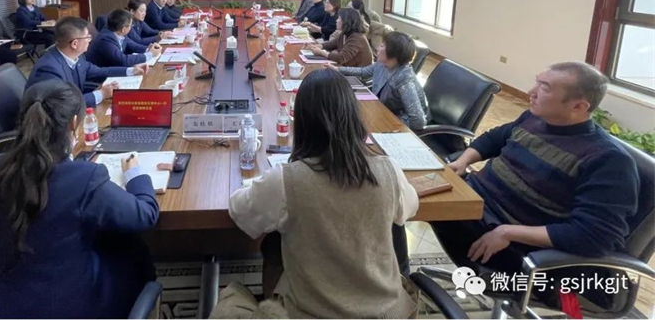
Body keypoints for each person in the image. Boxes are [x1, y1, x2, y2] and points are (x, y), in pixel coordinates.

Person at [228, 68, 418, 318]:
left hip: (312, 314)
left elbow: (239, 210)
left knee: (232, 297)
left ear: (302, 121)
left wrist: (257, 184)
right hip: (386, 312)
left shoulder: (286, 180)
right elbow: (409, 208)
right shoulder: (387, 169)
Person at [0, 81, 160, 318]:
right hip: (66, 309)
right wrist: (135, 173)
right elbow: (145, 215)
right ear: (74, 123)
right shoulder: (81, 178)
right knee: (129, 248)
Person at [432, 62, 639, 276]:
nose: (531, 92)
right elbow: (495, 138)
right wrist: (463, 161)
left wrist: (507, 232)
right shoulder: (534, 118)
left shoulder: (608, 160)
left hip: (505, 239)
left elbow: (596, 236)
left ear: (579, 107)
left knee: (409, 205)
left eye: (545, 88)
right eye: (537, 83)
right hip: (471, 201)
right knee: (412, 190)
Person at [25, 17, 148, 108]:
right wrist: (101, 94)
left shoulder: (78, 57)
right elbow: (64, 104)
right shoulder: (48, 69)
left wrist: (132, 70)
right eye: (87, 37)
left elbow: (98, 71)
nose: (90, 40)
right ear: (75, 44)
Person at [333, 31, 428, 130]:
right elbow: (364, 71)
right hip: (382, 110)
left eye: (382, 46)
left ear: (393, 53)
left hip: (397, 121)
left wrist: (389, 122)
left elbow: (418, 121)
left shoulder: (404, 77)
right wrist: (338, 69)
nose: (378, 48)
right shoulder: (382, 64)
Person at [86, 9, 162, 68]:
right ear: (123, 29)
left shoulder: (118, 32)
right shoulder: (106, 39)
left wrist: (148, 49)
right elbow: (123, 60)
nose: (131, 27)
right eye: (131, 25)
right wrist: (149, 55)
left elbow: (134, 46)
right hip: (104, 77)